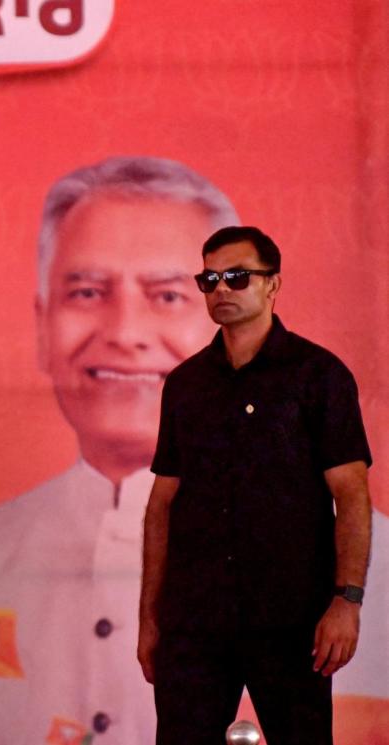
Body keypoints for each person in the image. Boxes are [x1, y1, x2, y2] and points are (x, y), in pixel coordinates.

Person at [0, 157, 239, 743]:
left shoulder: (337, 551)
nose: (124, 331)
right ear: (43, 329)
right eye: (88, 293)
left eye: (167, 297)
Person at [139, 226, 374, 745]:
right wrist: (150, 620)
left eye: (238, 277)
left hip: (292, 620)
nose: (222, 289)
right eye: (210, 279)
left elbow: (352, 494)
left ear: (273, 285)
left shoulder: (319, 376)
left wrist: (347, 603)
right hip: (195, 620)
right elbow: (162, 505)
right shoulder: (186, 384)